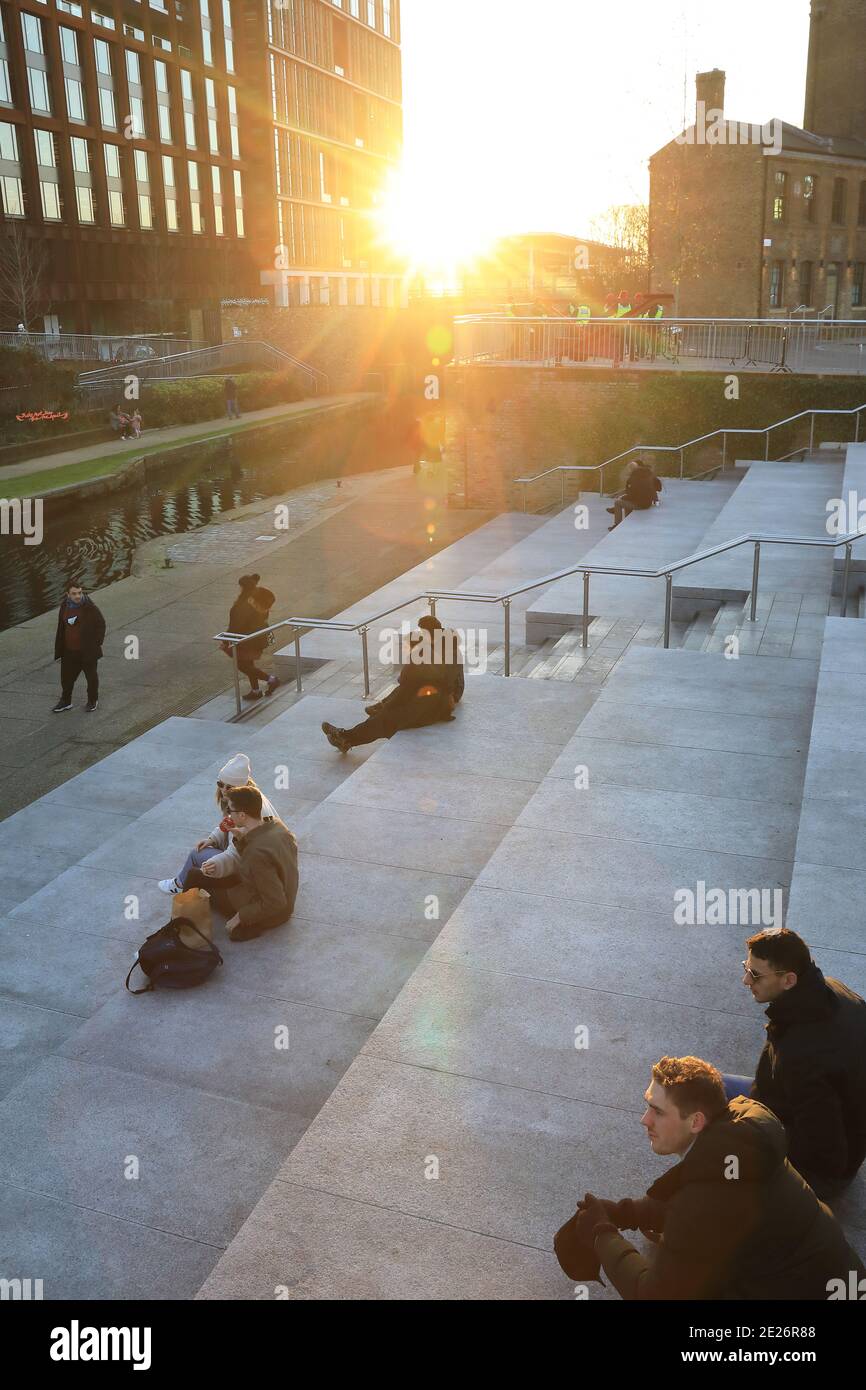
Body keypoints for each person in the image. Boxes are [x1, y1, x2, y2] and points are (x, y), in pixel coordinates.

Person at [556, 1055, 866, 1300]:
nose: (644, 1119)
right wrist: (630, 1212)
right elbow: (711, 1206)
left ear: (695, 1121)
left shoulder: (706, 1199)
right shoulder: (737, 1142)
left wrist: (601, 1232)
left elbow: (652, 1294)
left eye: (658, 1112)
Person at [722, 929, 866, 1200]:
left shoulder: (802, 1055)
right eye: (746, 968)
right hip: (844, 1136)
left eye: (755, 974)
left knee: (713, 1134)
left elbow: (823, 1149)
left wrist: (748, 1133)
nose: (745, 980)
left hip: (822, 1176)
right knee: (705, 1083)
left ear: (788, 980)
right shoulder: (832, 990)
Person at [321, 615, 463, 754]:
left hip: (438, 701)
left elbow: (445, 682)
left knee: (390, 718)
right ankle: (348, 735)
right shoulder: (436, 644)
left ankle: (347, 738)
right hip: (430, 693)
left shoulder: (448, 651)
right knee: (388, 713)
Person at [184, 785, 299, 942]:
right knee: (206, 875)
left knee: (194, 876)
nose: (228, 815)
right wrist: (240, 836)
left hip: (271, 911)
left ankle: (181, 929)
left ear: (243, 815)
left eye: (230, 810)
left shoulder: (256, 854)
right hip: (284, 900)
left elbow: (275, 902)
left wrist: (240, 916)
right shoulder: (278, 827)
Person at [158, 754, 279, 895]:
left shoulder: (244, 811)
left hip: (249, 867)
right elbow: (228, 825)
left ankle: (179, 884)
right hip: (254, 861)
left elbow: (236, 853)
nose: (223, 790)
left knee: (196, 854)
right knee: (204, 851)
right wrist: (212, 839)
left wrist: (216, 863)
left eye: (229, 787)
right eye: (220, 784)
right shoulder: (249, 799)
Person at [224, 574, 280, 702]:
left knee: (243, 665)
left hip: (247, 639)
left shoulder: (243, 604)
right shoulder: (258, 598)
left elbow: (235, 625)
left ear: (243, 588)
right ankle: (256, 691)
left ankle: (271, 680)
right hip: (258, 637)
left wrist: (227, 638)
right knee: (249, 664)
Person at [52, 581, 106, 713]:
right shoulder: (65, 606)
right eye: (74, 594)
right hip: (69, 651)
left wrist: (95, 644)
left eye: (80, 593)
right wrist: (59, 651)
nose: (77, 596)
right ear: (68, 594)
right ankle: (66, 701)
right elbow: (61, 629)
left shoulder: (89, 607)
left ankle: (92, 700)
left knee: (91, 677)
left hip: (87, 651)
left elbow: (101, 625)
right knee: (66, 678)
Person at [607, 459, 663, 529]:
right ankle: (626, 522)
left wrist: (623, 497)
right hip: (648, 502)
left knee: (618, 503)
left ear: (632, 469)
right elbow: (657, 488)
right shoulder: (648, 474)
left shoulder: (633, 479)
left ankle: (617, 525)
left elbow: (632, 494)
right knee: (625, 500)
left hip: (641, 504)